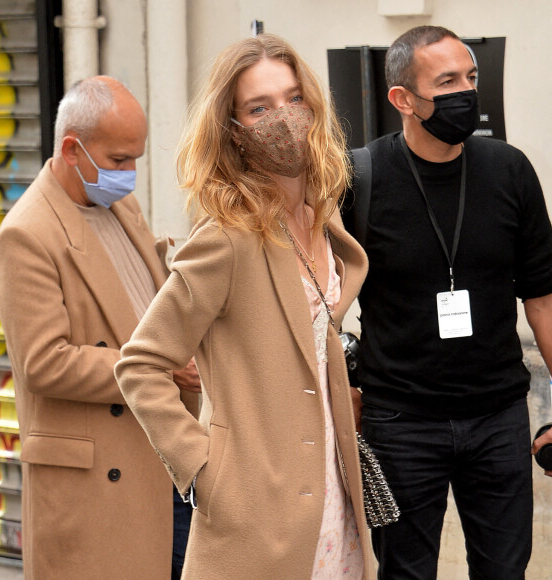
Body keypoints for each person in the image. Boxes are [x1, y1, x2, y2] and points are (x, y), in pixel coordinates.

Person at [115, 34, 375, 579]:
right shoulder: (227, 237)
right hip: (258, 510)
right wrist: (206, 472)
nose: (284, 118)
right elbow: (139, 365)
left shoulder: (323, 215)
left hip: (332, 494)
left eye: (293, 98)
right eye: (260, 108)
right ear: (232, 130)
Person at [345, 25, 552, 579]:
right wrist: (344, 389)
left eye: (471, 77)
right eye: (447, 81)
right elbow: (320, 303)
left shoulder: (509, 171)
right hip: (399, 422)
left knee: (505, 570)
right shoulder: (359, 180)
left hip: (499, 416)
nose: (466, 91)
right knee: (405, 573)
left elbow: (543, 300)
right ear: (402, 99)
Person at [0, 76, 200, 579]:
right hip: (96, 479)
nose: (129, 173)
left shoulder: (118, 203)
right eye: (118, 160)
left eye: (135, 159)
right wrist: (157, 369)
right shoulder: (27, 234)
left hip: (162, 452)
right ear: (72, 149)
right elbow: (44, 363)